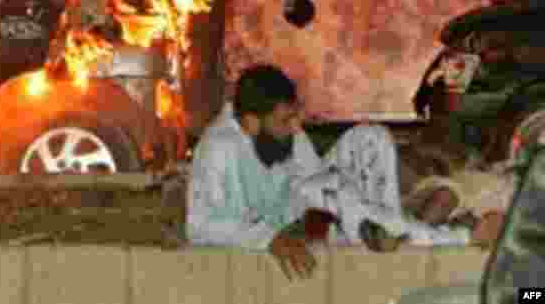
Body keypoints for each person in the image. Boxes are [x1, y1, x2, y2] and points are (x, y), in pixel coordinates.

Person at [186, 64, 504, 280]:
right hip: (271, 229)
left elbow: (313, 176)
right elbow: (199, 227)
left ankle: (388, 229)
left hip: (303, 213)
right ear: (251, 122)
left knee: (370, 137)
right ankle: (454, 236)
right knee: (329, 190)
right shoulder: (219, 147)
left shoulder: (280, 130)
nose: (295, 128)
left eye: (294, 117)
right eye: (285, 122)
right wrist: (268, 239)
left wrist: (348, 200)